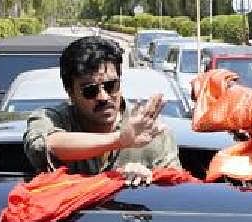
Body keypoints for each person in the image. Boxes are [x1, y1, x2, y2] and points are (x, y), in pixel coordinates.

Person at [25, 35, 177, 186]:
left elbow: (176, 188)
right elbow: (46, 145)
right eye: (90, 90)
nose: (103, 97)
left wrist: (150, 177)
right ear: (70, 92)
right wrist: (121, 140)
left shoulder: (151, 131)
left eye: (111, 86)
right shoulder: (50, 118)